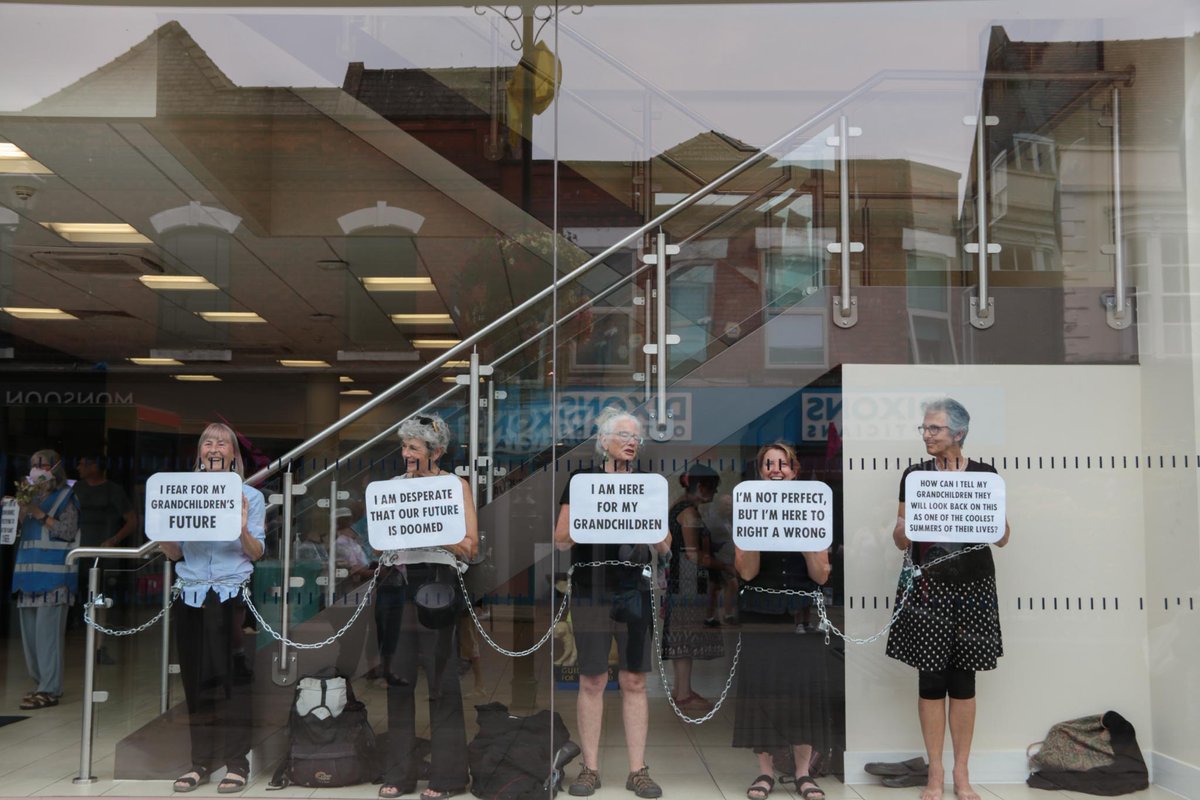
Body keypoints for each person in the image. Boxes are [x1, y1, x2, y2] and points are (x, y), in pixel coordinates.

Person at [885, 398, 1010, 800]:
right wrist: (906, 527)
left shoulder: (985, 475)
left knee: (964, 679)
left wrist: (989, 515)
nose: (927, 435)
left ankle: (962, 772)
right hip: (928, 586)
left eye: (934, 428)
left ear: (959, 432)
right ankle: (935, 772)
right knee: (931, 678)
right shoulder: (915, 476)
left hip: (973, 586)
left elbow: (1003, 537)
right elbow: (899, 537)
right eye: (924, 428)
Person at [554, 407, 670, 799]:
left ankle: (638, 771)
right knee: (592, 679)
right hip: (591, 588)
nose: (631, 442)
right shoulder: (581, 482)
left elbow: (665, 545)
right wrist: (593, 514)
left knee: (634, 680)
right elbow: (561, 539)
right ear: (603, 441)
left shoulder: (648, 485)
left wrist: (649, 521)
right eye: (623, 435)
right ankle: (590, 769)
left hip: (633, 589)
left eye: (636, 437)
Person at [374, 414, 478, 800]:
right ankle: (399, 773)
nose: (406, 454)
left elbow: (470, 547)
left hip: (438, 581)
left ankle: (448, 777)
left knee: (442, 680)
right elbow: (378, 542)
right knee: (398, 679)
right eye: (404, 447)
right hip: (397, 583)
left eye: (414, 448)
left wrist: (431, 525)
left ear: (437, 452)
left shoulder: (455, 486)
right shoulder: (392, 488)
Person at [158, 422, 266, 794]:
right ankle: (200, 763)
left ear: (233, 455)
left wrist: (241, 528)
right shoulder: (181, 493)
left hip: (231, 595)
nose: (214, 448)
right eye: (208, 442)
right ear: (200, 453)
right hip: (190, 595)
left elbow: (257, 553)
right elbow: (175, 553)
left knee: (233, 682)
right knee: (196, 682)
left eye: (222, 443)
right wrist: (163, 534)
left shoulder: (250, 496)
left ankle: (237, 764)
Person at [733, 443, 832, 800]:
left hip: (800, 611)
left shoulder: (814, 509)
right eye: (768, 465)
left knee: (802, 691)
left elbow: (821, 574)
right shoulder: (748, 508)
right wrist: (758, 528)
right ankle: (765, 772)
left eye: (783, 464)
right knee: (762, 690)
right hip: (760, 609)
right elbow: (746, 571)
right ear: (760, 472)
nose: (776, 470)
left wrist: (803, 533)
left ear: (795, 470)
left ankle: (803, 773)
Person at [12, 449, 80, 710]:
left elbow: (68, 531)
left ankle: (50, 689)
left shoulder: (66, 497)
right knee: (31, 639)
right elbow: (15, 531)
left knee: (48, 638)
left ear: (55, 467)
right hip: (27, 578)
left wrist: (38, 513)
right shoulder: (28, 497)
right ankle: (40, 684)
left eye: (42, 465)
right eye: (33, 465)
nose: (37, 469)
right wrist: (15, 509)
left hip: (54, 579)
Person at [662, 463, 723, 713]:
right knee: (685, 638)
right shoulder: (688, 512)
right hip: (688, 580)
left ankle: (681, 689)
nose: (715, 493)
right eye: (712, 488)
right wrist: (725, 566)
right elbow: (693, 555)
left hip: (680, 579)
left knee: (681, 636)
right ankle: (684, 693)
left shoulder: (678, 506)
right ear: (701, 487)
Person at [72, 455, 138, 664]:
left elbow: (132, 520)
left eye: (83, 463)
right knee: (77, 597)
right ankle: (79, 646)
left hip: (102, 554)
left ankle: (99, 647)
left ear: (95, 466)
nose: (78, 467)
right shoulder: (76, 489)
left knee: (99, 600)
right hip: (78, 551)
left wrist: (114, 540)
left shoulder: (113, 490)